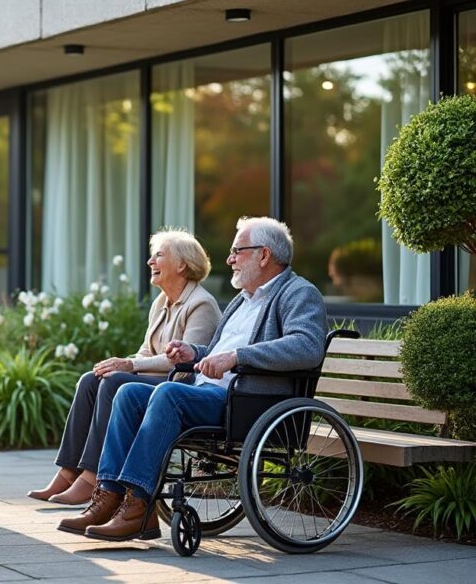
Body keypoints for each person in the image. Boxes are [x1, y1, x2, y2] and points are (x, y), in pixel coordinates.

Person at [58, 216, 327, 541]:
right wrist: (194, 353)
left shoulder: (298, 293)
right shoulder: (243, 300)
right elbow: (217, 351)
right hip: (210, 392)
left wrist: (237, 357)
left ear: (264, 255)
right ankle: (108, 495)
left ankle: (139, 505)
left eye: (236, 251)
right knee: (128, 393)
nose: (229, 259)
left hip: (248, 402)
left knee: (168, 394)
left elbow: (307, 347)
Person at [28, 230, 221, 505]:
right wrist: (120, 363)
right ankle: (68, 471)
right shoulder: (160, 303)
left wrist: (129, 365)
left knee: (115, 382)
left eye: (159, 255)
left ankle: (93, 476)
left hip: (180, 385)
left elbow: (184, 360)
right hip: (156, 380)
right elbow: (147, 351)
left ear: (182, 265)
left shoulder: (201, 304)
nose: (150, 262)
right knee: (91, 379)